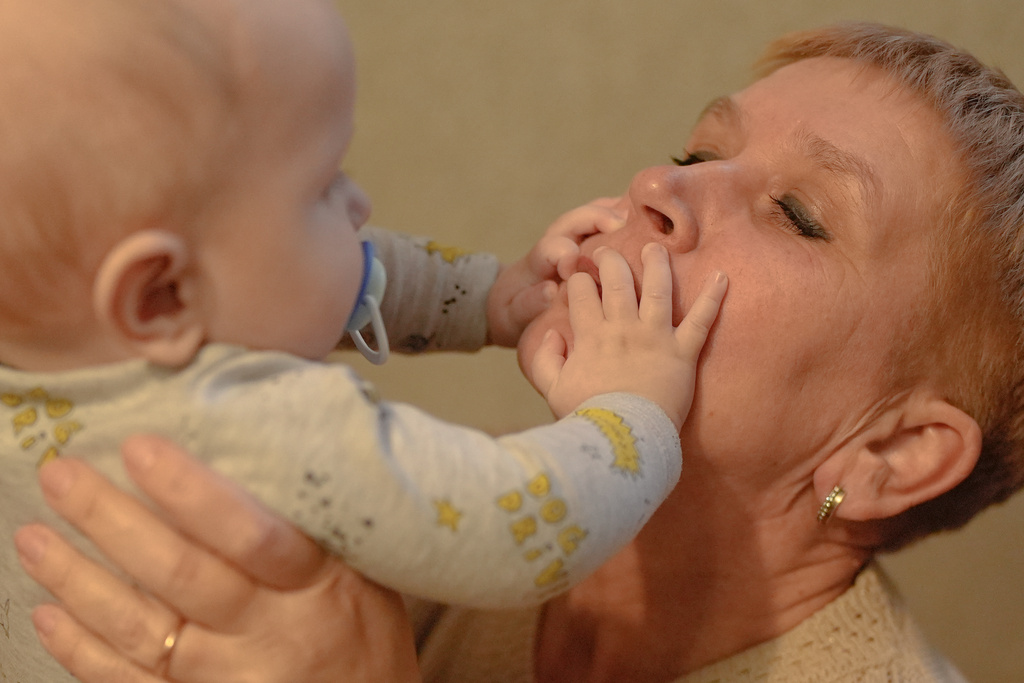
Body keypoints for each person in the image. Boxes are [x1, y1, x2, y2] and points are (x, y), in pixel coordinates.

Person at [17, 18, 1024, 683]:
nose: (656, 188)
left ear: (889, 453)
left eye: (797, 213)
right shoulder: (441, 519)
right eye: (698, 153)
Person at [0, 0, 730, 681]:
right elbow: (513, 523)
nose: (359, 204)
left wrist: (485, 296)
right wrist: (632, 412)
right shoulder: (274, 424)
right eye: (322, 185)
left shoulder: (43, 373)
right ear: (160, 295)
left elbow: (344, 274)